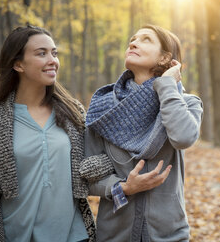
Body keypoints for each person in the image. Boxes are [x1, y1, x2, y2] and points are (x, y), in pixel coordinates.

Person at [0, 25, 169, 242]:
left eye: (54, 53)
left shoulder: (72, 113)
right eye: (42, 53)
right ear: (18, 64)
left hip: (73, 235)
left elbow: (89, 168)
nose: (52, 60)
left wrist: (123, 184)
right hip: (13, 234)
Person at [81, 24, 203, 242]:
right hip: (114, 236)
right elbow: (88, 178)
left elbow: (183, 137)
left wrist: (166, 84)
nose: (133, 42)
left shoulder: (185, 103)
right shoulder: (104, 108)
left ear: (166, 58)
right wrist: (123, 187)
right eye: (133, 39)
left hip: (168, 235)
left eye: (146, 39)